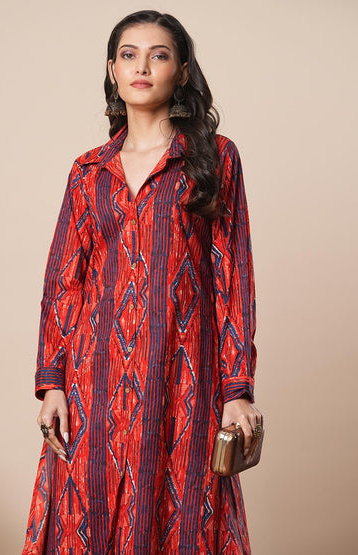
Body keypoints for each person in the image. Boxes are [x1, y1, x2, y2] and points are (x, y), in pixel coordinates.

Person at [22, 9, 263, 555]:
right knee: (88, 512)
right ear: (112, 69)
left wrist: (237, 389)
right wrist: (53, 382)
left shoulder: (213, 159)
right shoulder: (88, 172)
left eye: (159, 55)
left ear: (182, 72)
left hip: (184, 375)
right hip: (92, 381)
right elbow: (63, 284)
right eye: (129, 55)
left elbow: (233, 279)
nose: (142, 67)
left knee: (183, 513)